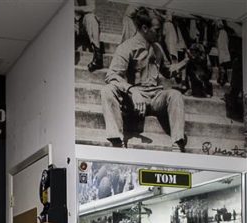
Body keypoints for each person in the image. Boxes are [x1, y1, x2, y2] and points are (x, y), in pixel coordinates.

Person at [101, 7, 188, 151]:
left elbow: (167, 72)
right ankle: (117, 141)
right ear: (145, 28)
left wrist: (186, 61)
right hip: (134, 100)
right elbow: (111, 75)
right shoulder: (127, 47)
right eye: (157, 29)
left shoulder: (158, 48)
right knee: (107, 90)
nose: (160, 33)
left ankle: (177, 143)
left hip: (155, 98)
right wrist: (132, 90)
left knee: (175, 94)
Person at [75, 0, 103, 72]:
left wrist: (73, 8)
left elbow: (91, 8)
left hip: (81, 25)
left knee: (91, 17)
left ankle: (98, 56)